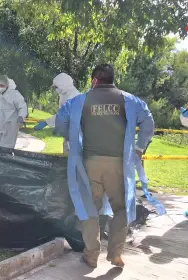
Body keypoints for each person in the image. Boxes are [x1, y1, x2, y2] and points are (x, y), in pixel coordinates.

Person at [55, 64, 154, 268]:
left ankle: (91, 255)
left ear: (94, 80)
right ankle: (115, 254)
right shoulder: (130, 100)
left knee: (89, 209)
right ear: (112, 79)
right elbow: (148, 121)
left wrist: (73, 136)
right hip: (120, 166)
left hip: (89, 165)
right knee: (121, 209)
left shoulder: (79, 101)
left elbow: (60, 121)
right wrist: (139, 147)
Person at [34, 73, 80, 154]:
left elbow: (63, 114)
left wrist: (46, 122)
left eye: (56, 87)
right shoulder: (64, 93)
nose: (55, 89)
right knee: (66, 153)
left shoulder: (73, 96)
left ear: (63, 85)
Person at [0, 75, 28, 149]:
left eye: (2, 85)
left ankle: (5, 158)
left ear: (7, 85)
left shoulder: (14, 94)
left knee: (6, 147)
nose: (0, 87)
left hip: (10, 126)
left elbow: (22, 106)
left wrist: (21, 116)